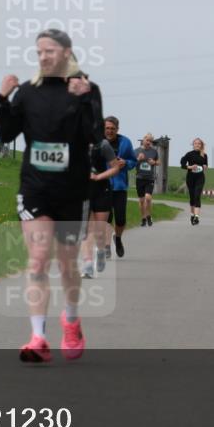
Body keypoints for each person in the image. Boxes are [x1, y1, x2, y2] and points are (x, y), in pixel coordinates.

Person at [0, 29, 102, 363]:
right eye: (39, 51)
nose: (43, 57)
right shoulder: (28, 93)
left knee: (67, 262)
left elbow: (95, 136)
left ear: (67, 52)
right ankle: (37, 336)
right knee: (38, 258)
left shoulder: (86, 88)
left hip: (71, 191)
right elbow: (6, 134)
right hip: (35, 189)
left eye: (50, 51)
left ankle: (70, 319)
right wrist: (2, 99)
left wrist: (84, 99)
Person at [79, 73, 125, 278]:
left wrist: (100, 176)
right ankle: (87, 264)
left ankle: (100, 252)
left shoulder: (103, 145)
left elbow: (115, 167)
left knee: (98, 230)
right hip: (83, 190)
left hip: (102, 189)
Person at [104, 116, 137, 258]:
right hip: (102, 186)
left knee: (121, 219)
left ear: (117, 129)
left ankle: (117, 238)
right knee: (106, 219)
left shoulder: (125, 142)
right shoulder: (98, 142)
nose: (109, 131)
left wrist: (125, 163)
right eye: (107, 128)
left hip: (120, 186)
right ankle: (106, 245)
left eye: (112, 128)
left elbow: (133, 161)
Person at [179, 138, 209, 226]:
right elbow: (182, 164)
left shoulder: (204, 155)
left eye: (199, 144)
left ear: (201, 145)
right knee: (192, 198)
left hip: (200, 178)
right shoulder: (189, 154)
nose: (197, 145)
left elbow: (206, 166)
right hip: (190, 178)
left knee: (197, 196)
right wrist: (190, 167)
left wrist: (205, 167)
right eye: (195, 143)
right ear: (193, 145)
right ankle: (192, 215)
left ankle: (196, 217)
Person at [134, 133, 160, 227]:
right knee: (141, 200)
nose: (149, 142)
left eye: (150, 141)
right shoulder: (136, 151)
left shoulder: (154, 152)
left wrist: (154, 162)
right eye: (147, 140)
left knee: (148, 198)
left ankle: (149, 216)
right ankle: (143, 218)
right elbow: (132, 163)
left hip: (150, 178)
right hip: (140, 178)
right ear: (143, 140)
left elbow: (158, 162)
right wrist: (138, 159)